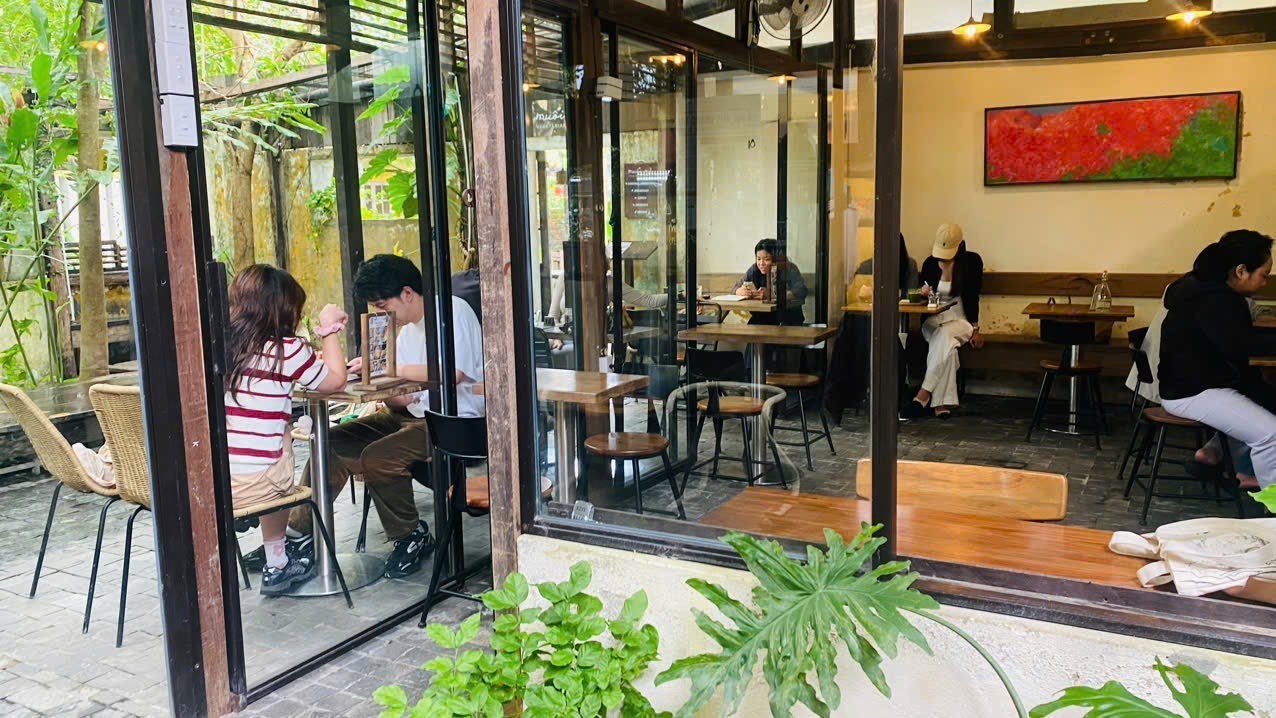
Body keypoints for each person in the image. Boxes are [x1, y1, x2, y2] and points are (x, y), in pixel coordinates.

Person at [289, 254, 486, 579]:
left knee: (379, 456)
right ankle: (298, 534)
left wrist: (389, 367)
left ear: (407, 293)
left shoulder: (452, 311)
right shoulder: (405, 333)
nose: (382, 314)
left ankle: (410, 535)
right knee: (331, 443)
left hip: (453, 422)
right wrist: (374, 377)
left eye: (383, 305)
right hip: (410, 416)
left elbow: (454, 372)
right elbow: (403, 399)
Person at [223, 265, 349, 595]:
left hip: (213, 484)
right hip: (257, 486)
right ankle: (277, 564)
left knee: (264, 442)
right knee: (281, 442)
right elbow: (336, 381)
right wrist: (329, 328)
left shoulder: (218, 345)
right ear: (283, 308)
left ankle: (276, 558)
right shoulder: (286, 349)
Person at [1158, 229, 1276, 490]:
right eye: (1264, 275)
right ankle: (1272, 504)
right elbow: (1242, 345)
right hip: (1192, 392)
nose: (1265, 283)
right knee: (1271, 435)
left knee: (1266, 400)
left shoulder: (1200, 286)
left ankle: (1214, 453)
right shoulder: (1216, 300)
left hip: (1193, 384)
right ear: (1241, 271)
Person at [901, 223, 984, 420]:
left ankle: (923, 394)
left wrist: (975, 329)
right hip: (933, 320)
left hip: (960, 320)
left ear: (960, 246)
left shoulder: (972, 262)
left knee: (945, 335)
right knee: (948, 347)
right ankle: (940, 403)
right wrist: (925, 293)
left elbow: (973, 297)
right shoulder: (930, 263)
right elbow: (928, 299)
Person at [827, 235, 917, 417]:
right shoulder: (868, 265)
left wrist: (883, 293)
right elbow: (854, 294)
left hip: (892, 321)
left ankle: (886, 395)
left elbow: (911, 292)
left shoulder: (908, 265)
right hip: (867, 321)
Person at [732, 239, 808, 325]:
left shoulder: (789, 268)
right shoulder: (754, 269)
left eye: (766, 259)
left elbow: (802, 290)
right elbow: (735, 288)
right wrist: (740, 291)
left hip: (788, 318)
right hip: (763, 317)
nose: (761, 263)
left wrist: (773, 295)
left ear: (777, 258)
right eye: (758, 259)